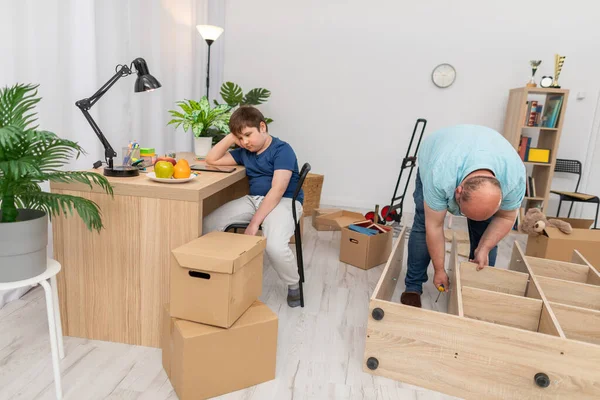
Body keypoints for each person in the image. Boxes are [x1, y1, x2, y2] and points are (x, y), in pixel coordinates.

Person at [401, 124, 526, 308]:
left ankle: (475, 290)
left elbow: (506, 218)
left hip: (485, 151)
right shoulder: (440, 175)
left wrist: (484, 247)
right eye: (467, 213)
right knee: (422, 221)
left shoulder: (514, 179)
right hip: (437, 152)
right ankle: (413, 285)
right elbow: (433, 227)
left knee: (485, 231)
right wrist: (439, 269)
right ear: (458, 192)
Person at [203, 105, 304, 307]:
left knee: (275, 245)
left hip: (284, 201)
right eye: (240, 138)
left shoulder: (283, 150)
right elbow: (210, 159)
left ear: (262, 127)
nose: (245, 142)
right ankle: (216, 274)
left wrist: (253, 225)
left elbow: (277, 190)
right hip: (254, 199)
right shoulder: (244, 151)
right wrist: (233, 137)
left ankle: (294, 284)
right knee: (208, 224)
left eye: (248, 134)